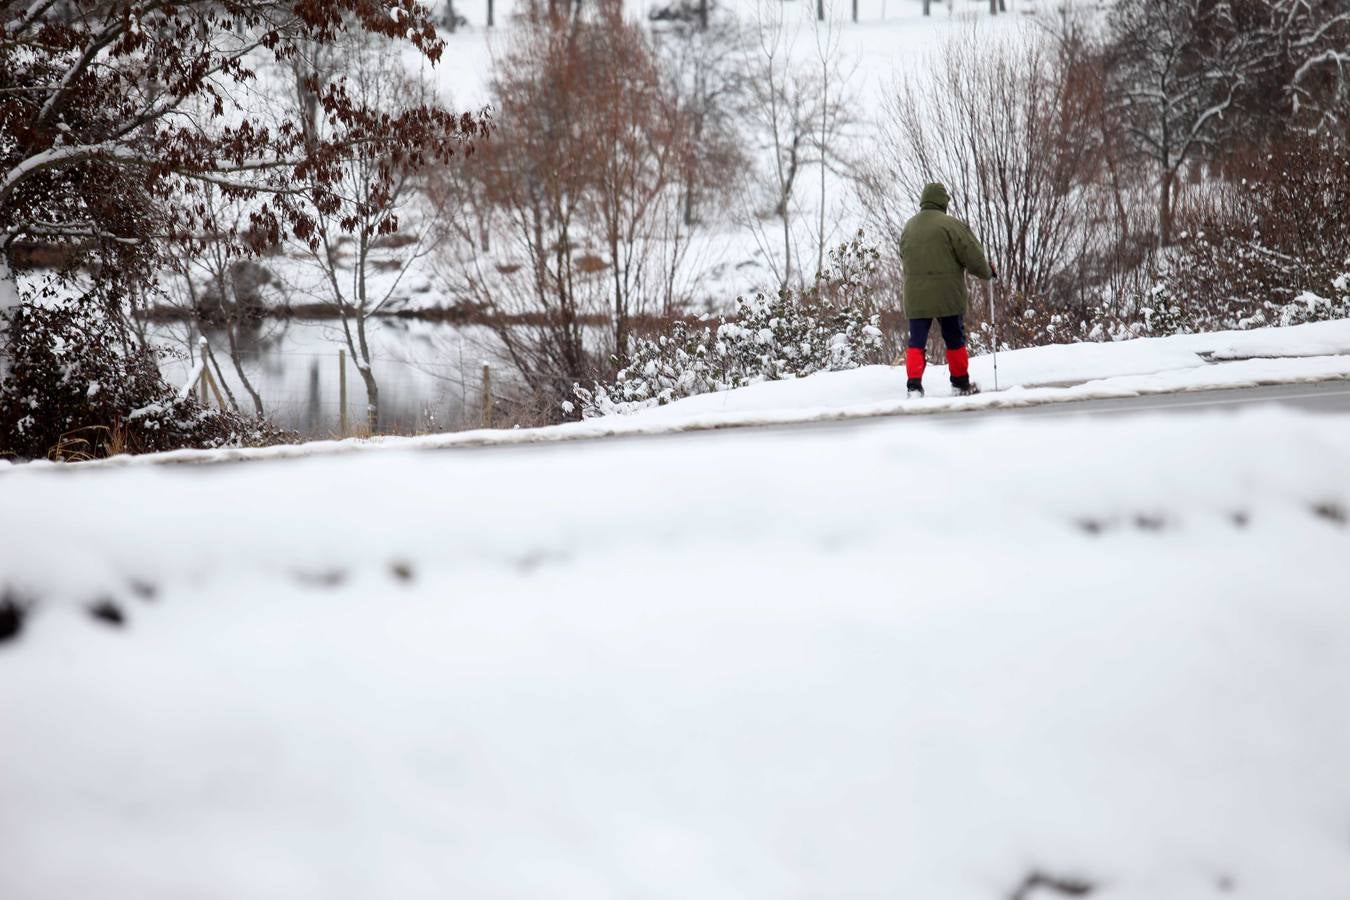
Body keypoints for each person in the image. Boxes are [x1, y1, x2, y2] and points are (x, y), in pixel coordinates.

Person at [898, 182, 995, 398]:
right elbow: (972, 254)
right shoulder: (951, 225)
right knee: (954, 338)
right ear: (943, 202)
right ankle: (960, 384)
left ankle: (914, 387)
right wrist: (987, 271)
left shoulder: (909, 227)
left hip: (916, 296)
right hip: (947, 294)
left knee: (916, 341)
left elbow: (903, 255)